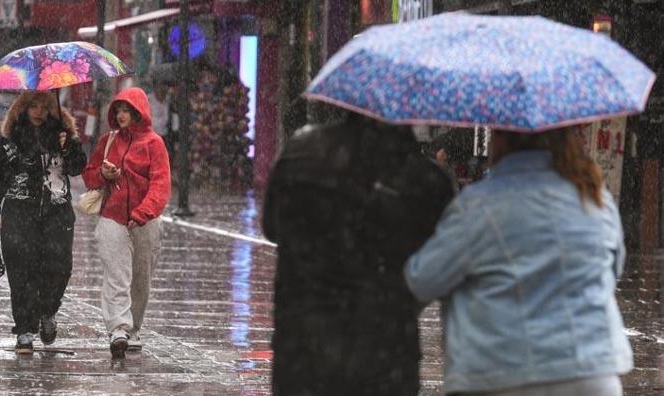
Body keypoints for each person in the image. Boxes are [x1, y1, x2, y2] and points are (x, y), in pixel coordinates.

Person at [405, 127, 633, 396]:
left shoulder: (477, 206)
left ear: (500, 141)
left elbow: (423, 279)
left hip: (500, 373)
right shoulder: (596, 199)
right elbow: (610, 268)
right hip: (592, 371)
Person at [262, 110, 455, 396]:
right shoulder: (427, 180)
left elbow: (272, 227)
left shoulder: (301, 151)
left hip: (302, 350)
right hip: (386, 357)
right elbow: (438, 268)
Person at [0, 92, 86, 355]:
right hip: (20, 212)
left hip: (57, 212)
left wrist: (68, 146)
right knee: (21, 272)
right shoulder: (11, 139)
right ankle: (25, 330)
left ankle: (48, 310)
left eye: (44, 106)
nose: (39, 111)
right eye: (33, 106)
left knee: (60, 267)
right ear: (23, 108)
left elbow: (77, 168)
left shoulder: (63, 134)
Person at [82, 87, 171, 358]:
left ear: (137, 112)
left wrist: (143, 213)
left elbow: (160, 184)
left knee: (141, 278)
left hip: (145, 222)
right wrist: (104, 174)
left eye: (126, 111)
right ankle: (118, 327)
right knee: (116, 274)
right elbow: (89, 176)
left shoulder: (155, 144)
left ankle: (134, 327)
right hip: (113, 217)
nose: (121, 116)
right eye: (118, 110)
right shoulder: (108, 141)